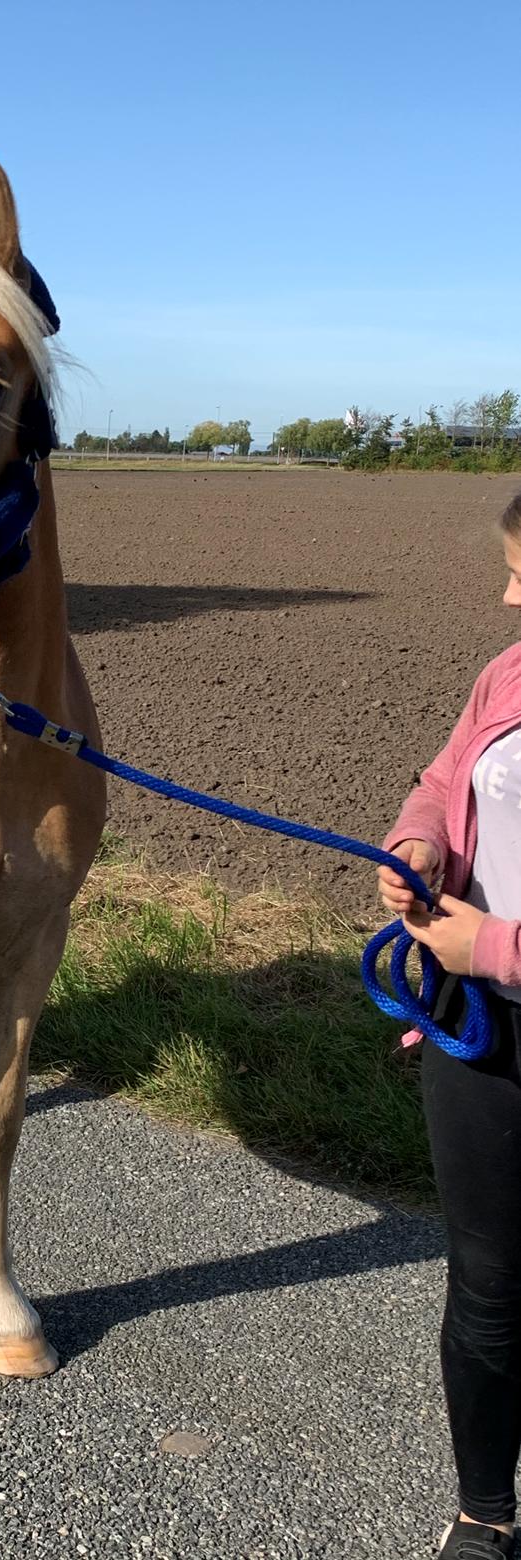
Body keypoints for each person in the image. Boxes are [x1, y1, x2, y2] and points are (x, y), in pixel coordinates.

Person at [379, 490, 521, 1558]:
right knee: (486, 1284)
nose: (509, 593)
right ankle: (485, 1513)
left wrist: (495, 948)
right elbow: (442, 779)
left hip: (490, 974)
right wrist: (422, 842)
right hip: (484, 1035)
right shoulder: (505, 674)